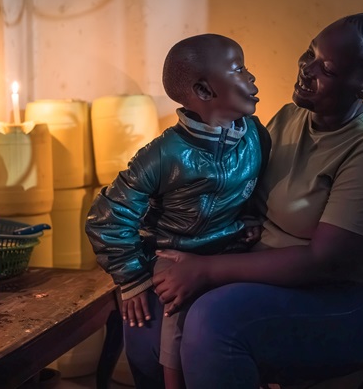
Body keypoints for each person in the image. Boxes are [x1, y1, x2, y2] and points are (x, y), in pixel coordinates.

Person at [134, 3, 363, 389]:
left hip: (351, 301)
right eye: (310, 53)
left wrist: (205, 269)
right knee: (145, 316)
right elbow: (240, 194)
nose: (307, 69)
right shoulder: (287, 119)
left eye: (325, 69)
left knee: (215, 321)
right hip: (272, 279)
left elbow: (322, 262)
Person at [85, 33, 271, 389]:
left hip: (229, 244)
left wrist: (249, 219)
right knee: (175, 307)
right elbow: (106, 217)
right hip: (176, 249)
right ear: (203, 91)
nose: (252, 79)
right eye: (239, 70)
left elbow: (256, 186)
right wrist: (132, 280)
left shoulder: (254, 135)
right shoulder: (163, 153)